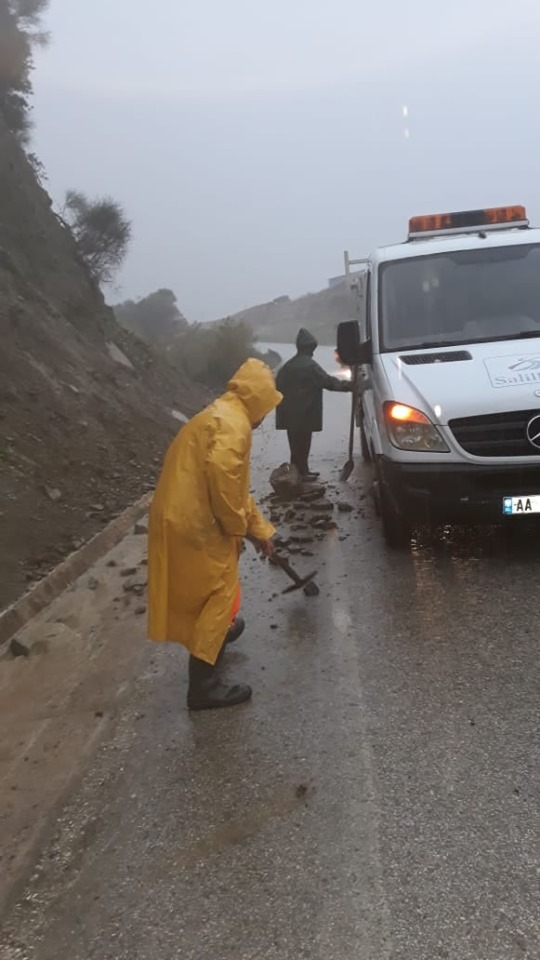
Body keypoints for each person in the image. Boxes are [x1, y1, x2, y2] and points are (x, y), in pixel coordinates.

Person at [147, 358, 282, 711]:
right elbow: (224, 481)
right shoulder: (234, 426)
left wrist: (259, 530)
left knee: (207, 588)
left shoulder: (223, 413)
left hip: (183, 513)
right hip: (196, 520)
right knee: (218, 592)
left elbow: (236, 489)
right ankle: (204, 686)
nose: (266, 416)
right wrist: (240, 530)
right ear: (258, 399)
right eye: (267, 406)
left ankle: (217, 634)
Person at [276, 328, 353, 479]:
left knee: (295, 445)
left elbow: (277, 386)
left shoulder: (288, 366)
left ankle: (298, 472)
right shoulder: (310, 366)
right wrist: (350, 386)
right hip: (305, 413)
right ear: (310, 347)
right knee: (303, 444)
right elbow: (329, 382)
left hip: (289, 413)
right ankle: (302, 473)